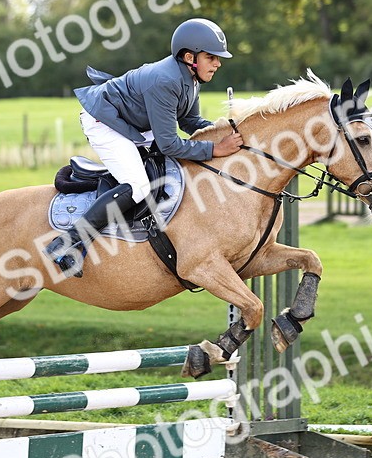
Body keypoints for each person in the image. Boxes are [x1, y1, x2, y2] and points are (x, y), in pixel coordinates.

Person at [45, 17, 245, 276]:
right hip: (104, 121)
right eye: (211, 57)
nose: (218, 63)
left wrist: (224, 130)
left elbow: (190, 122)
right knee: (138, 186)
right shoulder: (166, 80)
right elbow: (169, 143)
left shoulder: (190, 79)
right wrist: (215, 149)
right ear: (189, 57)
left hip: (132, 121)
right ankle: (68, 242)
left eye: (218, 58)